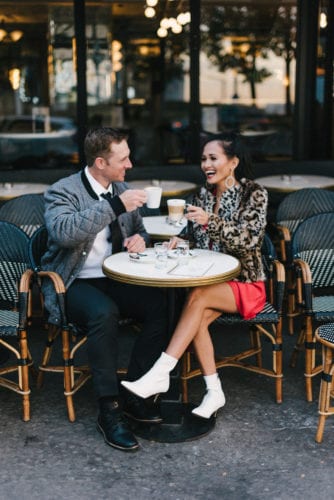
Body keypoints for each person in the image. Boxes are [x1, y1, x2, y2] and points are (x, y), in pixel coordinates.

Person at [122, 131, 268, 419]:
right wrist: (181, 241)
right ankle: (214, 392)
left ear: (233, 162)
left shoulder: (254, 193)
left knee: (196, 297)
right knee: (196, 317)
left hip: (246, 283)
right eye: (203, 159)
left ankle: (160, 373)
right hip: (209, 281)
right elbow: (198, 240)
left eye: (213, 158)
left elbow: (249, 240)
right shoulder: (203, 193)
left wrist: (209, 220)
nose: (206, 164)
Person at [41, 127, 169, 452]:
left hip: (116, 278)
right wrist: (114, 206)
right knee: (103, 313)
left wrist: (140, 240)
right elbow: (64, 233)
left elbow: (140, 230)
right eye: (123, 159)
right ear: (100, 162)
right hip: (73, 283)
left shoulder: (121, 187)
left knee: (164, 304)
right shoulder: (63, 191)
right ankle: (109, 410)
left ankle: (135, 390)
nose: (129, 164)